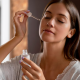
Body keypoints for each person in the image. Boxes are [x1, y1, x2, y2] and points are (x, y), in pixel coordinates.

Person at [0, 0, 80, 80]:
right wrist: (18, 37)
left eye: (60, 20)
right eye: (47, 16)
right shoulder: (23, 63)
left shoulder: (77, 73)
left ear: (71, 32)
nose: (50, 22)